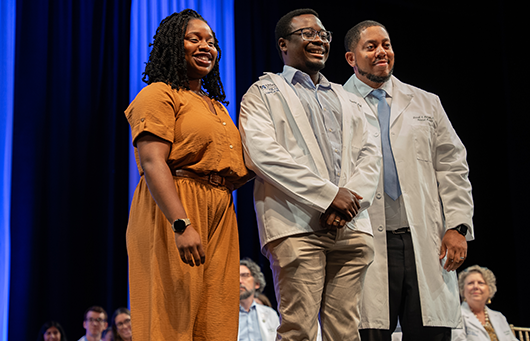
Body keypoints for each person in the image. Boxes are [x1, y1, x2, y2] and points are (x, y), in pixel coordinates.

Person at [239, 8, 381, 341]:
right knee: (298, 329)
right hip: (295, 225)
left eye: (323, 34)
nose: (318, 39)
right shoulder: (262, 92)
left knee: (345, 332)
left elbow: (370, 156)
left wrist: (349, 204)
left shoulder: (348, 98)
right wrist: (330, 197)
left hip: (351, 226)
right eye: (307, 33)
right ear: (283, 44)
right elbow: (262, 155)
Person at [342, 20, 474, 341]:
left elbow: (453, 167)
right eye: (370, 46)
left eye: (385, 44)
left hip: (424, 242)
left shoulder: (426, 102)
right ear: (351, 58)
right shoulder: (335, 103)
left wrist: (457, 227)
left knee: (431, 332)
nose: (381, 52)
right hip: (364, 241)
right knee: (367, 331)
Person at [125, 8, 251, 341]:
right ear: (172, 45)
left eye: (211, 41)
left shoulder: (215, 105)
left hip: (221, 209)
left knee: (217, 315)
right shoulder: (158, 94)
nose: (206, 46)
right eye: (194, 39)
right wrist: (181, 223)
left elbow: (235, 166)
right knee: (171, 315)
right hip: (177, 205)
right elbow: (152, 161)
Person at [452, 266, 518, 341]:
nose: (475, 287)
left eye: (481, 283)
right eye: (470, 283)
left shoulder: (499, 317)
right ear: (462, 290)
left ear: (489, 289)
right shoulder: (456, 316)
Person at [238, 258, 280, 341]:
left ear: (257, 283)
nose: (239, 281)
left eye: (244, 275)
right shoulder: (224, 314)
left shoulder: (271, 314)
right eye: (236, 276)